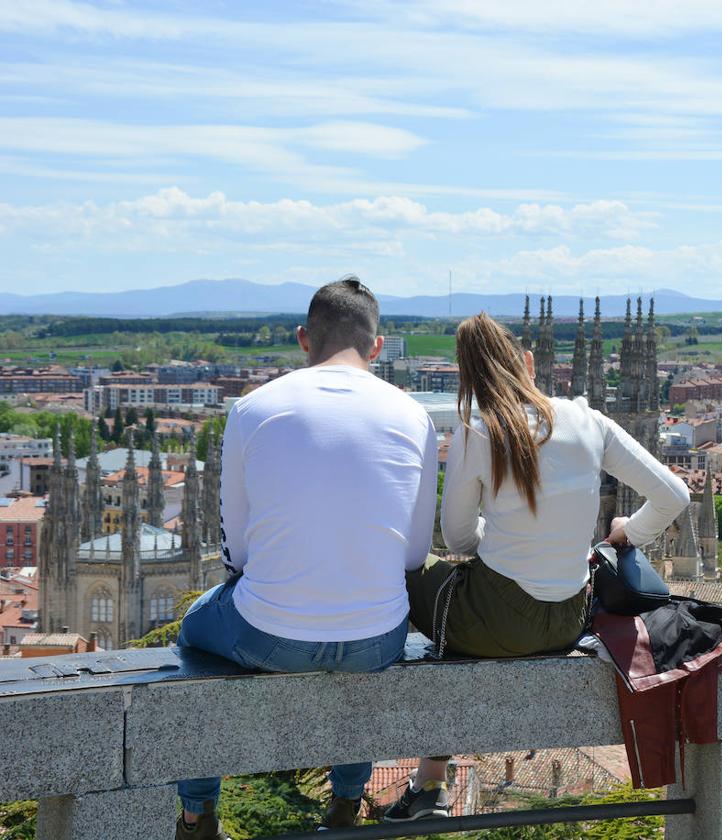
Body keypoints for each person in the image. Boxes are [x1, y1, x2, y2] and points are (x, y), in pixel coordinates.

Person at [383, 312, 689, 823]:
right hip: (570, 619)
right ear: (527, 363)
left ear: (470, 383)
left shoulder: (476, 431)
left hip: (496, 622)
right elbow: (674, 495)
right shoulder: (589, 420)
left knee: (408, 568)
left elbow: (457, 538)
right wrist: (625, 533)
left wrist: (503, 538)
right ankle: (429, 779)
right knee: (466, 610)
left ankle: (427, 778)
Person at [174, 277, 438, 839]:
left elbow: (236, 550)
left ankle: (198, 813)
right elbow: (414, 554)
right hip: (378, 641)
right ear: (378, 347)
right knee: (363, 658)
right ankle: (345, 803)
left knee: (193, 633)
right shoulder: (416, 417)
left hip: (266, 634)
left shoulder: (252, 408)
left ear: (302, 340)